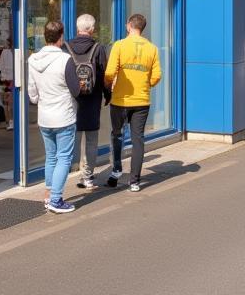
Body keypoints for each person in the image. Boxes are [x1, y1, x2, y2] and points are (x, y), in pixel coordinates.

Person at [105, 13, 162, 192]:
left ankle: (116, 171)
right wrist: (146, 85)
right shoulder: (152, 48)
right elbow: (157, 76)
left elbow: (109, 73)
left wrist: (109, 87)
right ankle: (135, 181)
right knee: (138, 139)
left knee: (117, 134)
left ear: (129, 26)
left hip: (120, 100)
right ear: (142, 28)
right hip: (142, 100)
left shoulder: (120, 45)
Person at [27, 19, 79, 213]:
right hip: (64, 115)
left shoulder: (33, 59)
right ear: (61, 37)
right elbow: (75, 90)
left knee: (51, 157)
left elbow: (32, 93)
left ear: (44, 36)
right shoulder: (65, 60)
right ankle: (56, 200)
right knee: (64, 157)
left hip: (44, 116)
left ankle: (49, 194)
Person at [65, 13, 110, 191]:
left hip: (71, 99)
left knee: (70, 138)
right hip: (92, 100)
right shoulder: (98, 48)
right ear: (91, 30)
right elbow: (104, 74)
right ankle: (88, 177)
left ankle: (65, 171)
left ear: (77, 29)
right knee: (91, 140)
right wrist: (108, 95)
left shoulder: (66, 47)